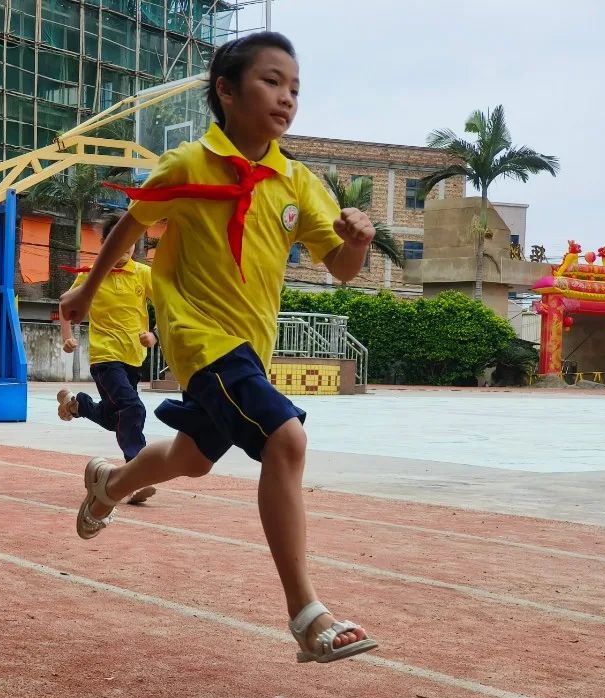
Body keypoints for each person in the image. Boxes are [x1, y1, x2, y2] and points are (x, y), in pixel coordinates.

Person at [60, 32, 379, 664]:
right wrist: (88, 292)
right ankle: (306, 615)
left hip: (247, 347)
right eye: (270, 81)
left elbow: (341, 268)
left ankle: (108, 486)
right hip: (199, 338)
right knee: (286, 438)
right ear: (226, 91)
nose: (286, 97)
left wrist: (359, 240)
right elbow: (133, 223)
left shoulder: (298, 183)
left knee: (193, 457)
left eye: (294, 87)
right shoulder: (187, 166)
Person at [56, 214, 158, 505]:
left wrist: (153, 335)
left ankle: (77, 405)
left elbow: (165, 304)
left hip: (133, 359)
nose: (123, 251)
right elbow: (66, 303)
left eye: (129, 246)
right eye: (117, 245)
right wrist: (67, 336)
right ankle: (135, 476)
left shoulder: (142, 274)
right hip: (105, 357)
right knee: (132, 408)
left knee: (116, 418)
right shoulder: (91, 273)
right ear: (105, 244)